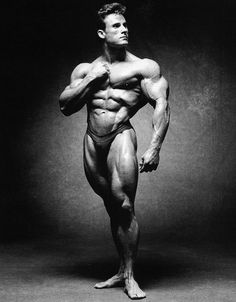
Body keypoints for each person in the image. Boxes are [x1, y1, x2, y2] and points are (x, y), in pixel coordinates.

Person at [59, 2, 170, 299]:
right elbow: (65, 106)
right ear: (101, 32)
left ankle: (131, 276)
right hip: (92, 142)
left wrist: (155, 147)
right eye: (116, 26)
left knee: (123, 206)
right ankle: (121, 269)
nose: (124, 29)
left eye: (125, 25)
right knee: (112, 206)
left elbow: (161, 104)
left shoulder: (143, 67)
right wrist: (91, 80)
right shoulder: (85, 69)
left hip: (121, 136)